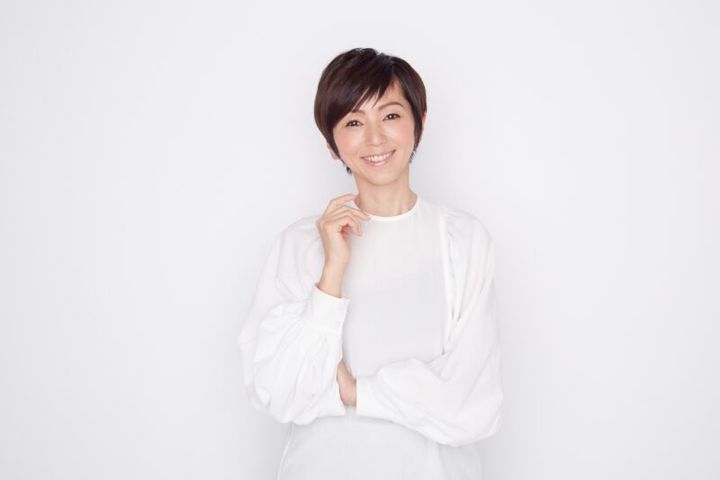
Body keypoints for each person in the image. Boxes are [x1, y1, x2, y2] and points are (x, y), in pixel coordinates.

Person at [237, 47, 503, 479]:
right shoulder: (301, 245)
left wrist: (356, 392)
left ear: (419, 123)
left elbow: (474, 402)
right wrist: (332, 272)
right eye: (354, 122)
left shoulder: (462, 240)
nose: (375, 138)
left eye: (391, 115)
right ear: (331, 144)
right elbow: (276, 390)